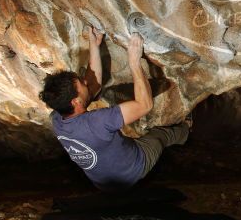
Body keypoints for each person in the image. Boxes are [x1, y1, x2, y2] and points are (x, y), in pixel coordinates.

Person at [38, 26, 189, 192]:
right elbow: (145, 105)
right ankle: (186, 130)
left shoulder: (58, 117)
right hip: (131, 171)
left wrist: (94, 44)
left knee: (122, 140)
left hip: (102, 182)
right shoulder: (97, 122)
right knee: (160, 135)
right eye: (82, 84)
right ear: (76, 102)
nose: (86, 82)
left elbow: (92, 86)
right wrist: (134, 62)